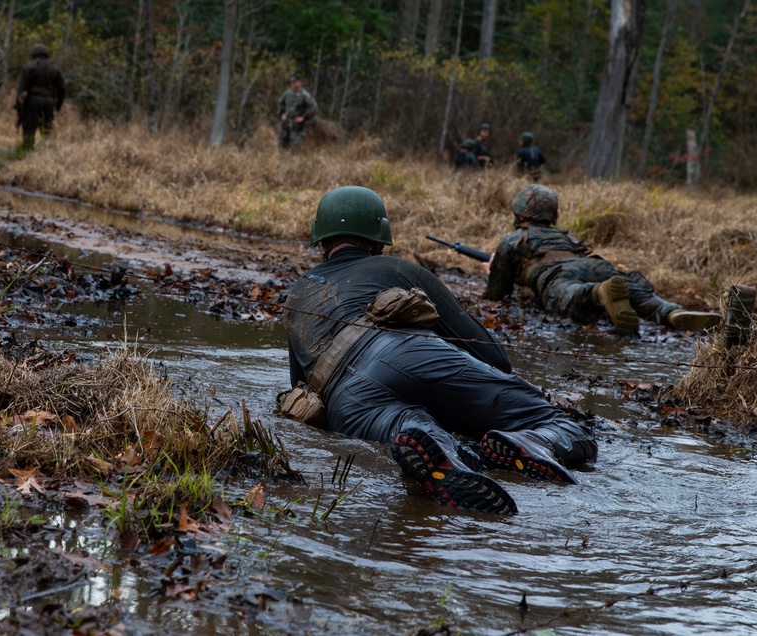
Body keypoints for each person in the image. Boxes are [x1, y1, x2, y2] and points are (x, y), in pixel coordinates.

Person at [282, 185, 598, 515]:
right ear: (378, 240)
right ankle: (530, 442)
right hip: (409, 353)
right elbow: (495, 358)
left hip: (347, 400)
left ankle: (442, 446)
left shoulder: (295, 296)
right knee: (558, 424)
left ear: (321, 238)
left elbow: (301, 392)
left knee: (408, 426)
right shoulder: (397, 269)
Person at [483, 184, 721, 335]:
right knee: (643, 297)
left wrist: (492, 270)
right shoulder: (565, 235)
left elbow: (497, 293)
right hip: (597, 265)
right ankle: (672, 312)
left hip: (558, 275)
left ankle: (598, 294)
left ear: (519, 212)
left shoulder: (513, 240)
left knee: (572, 294)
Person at [16, 44, 65, 151]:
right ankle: (46, 151)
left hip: (32, 101)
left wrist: (19, 106)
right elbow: (62, 89)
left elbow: (22, 88)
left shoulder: (29, 66)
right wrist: (58, 105)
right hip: (49, 101)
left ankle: (27, 149)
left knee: (29, 127)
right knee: (47, 128)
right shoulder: (55, 68)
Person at [277, 73, 317, 151]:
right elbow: (280, 104)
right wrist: (282, 114)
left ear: (300, 82)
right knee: (282, 148)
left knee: (295, 150)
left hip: (297, 128)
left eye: (295, 82)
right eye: (292, 82)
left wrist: (304, 117)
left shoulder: (305, 95)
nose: (293, 84)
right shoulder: (287, 94)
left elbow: (314, 108)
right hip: (285, 126)